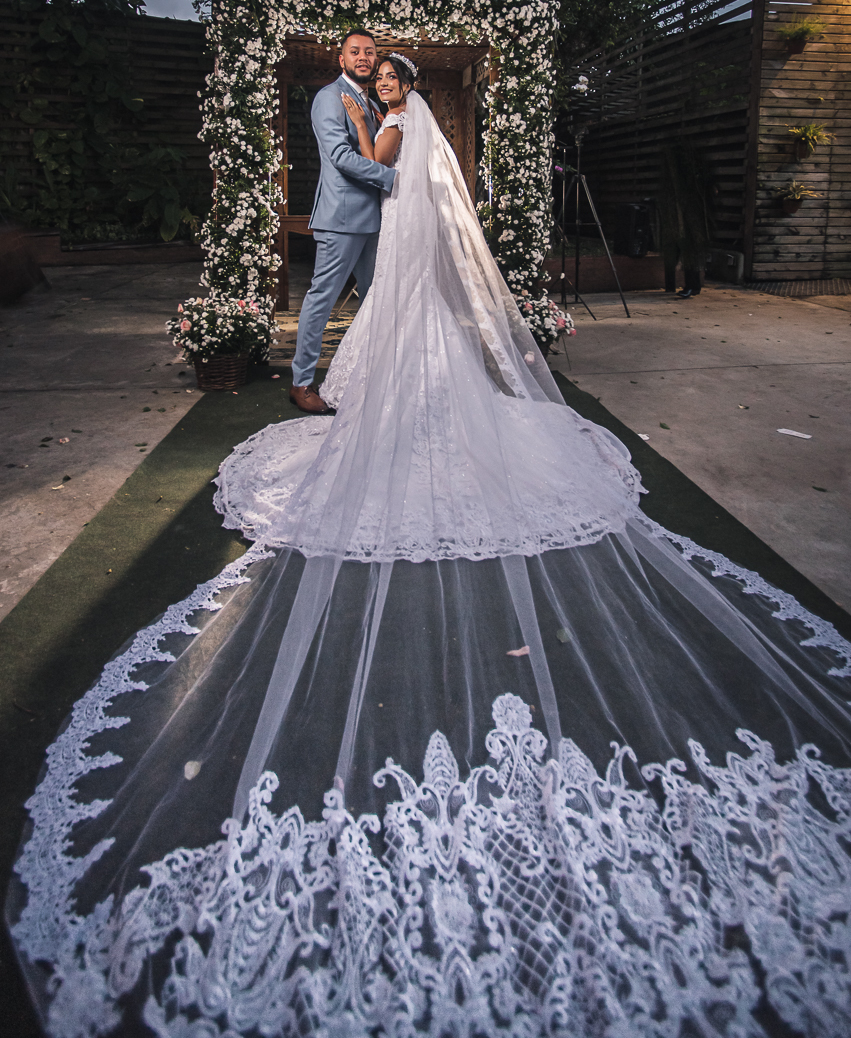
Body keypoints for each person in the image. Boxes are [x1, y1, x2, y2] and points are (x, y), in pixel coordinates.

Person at [8, 56, 851, 1038]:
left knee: (387, 374)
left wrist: (373, 128)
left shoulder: (397, 125)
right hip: (408, 277)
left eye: (385, 80)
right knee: (403, 355)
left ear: (398, 88)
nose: (378, 88)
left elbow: (378, 164)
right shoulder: (415, 127)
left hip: (398, 276)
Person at [289, 29, 397, 414]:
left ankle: (367, 374)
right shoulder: (328, 98)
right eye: (355, 52)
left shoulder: (370, 103)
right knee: (322, 298)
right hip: (342, 217)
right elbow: (341, 156)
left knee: (375, 299)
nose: (363, 57)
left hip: (375, 219)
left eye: (369, 51)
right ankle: (301, 382)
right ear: (342, 59)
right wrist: (396, 180)